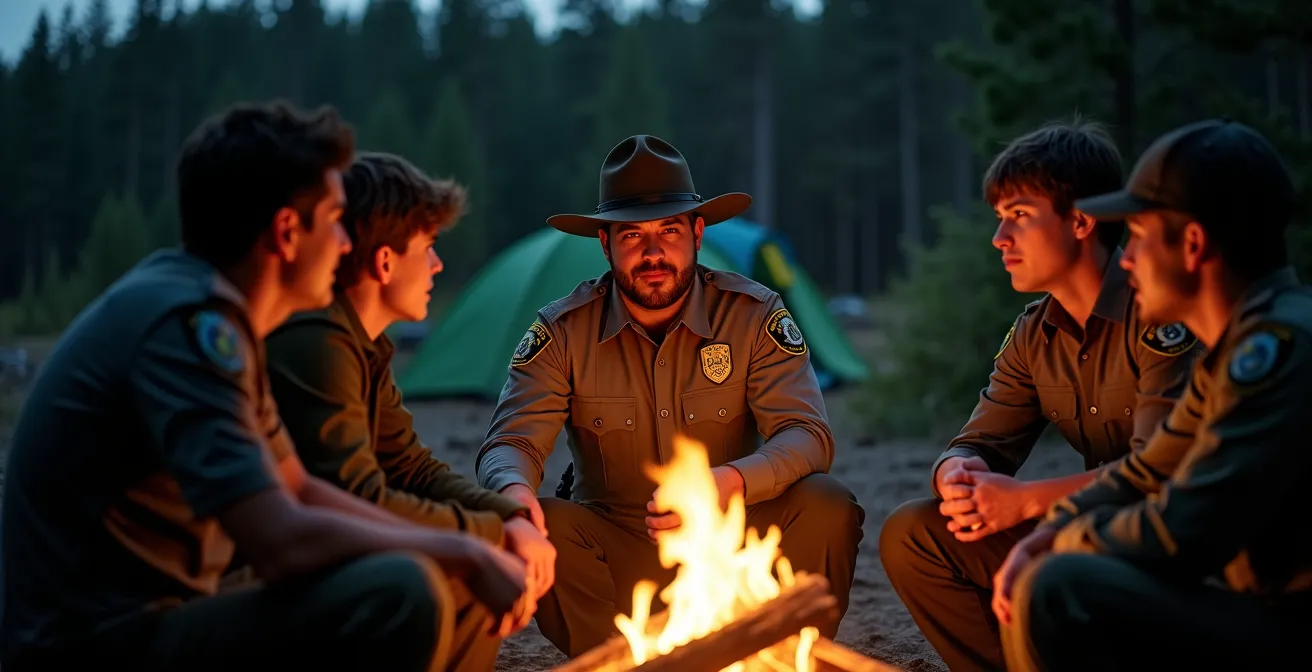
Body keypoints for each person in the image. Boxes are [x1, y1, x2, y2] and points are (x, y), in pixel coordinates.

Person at [0, 101, 529, 672]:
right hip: (88, 643)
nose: (345, 242)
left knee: (447, 578)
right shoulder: (187, 328)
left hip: (159, 615)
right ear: (285, 233)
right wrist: (461, 547)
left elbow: (298, 488)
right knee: (398, 590)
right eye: (332, 219)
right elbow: (279, 543)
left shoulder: (221, 319)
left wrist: (473, 546)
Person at [473, 134, 865, 657]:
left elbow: (807, 435)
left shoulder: (751, 316)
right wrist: (515, 495)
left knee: (827, 504)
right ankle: (620, 667)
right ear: (605, 244)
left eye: (670, 231)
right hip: (618, 554)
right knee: (543, 521)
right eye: (632, 234)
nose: (653, 252)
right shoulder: (563, 331)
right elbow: (511, 442)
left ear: (698, 234)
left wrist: (729, 483)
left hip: (735, 542)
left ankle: (777, 659)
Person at [878, 118, 1202, 672]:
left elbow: (1163, 475)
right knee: (915, 532)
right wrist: (958, 474)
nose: (1000, 239)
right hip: (1090, 528)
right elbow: (980, 440)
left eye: (1020, 217)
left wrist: (1026, 501)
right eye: (1000, 219)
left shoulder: (1160, 316)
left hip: (1169, 541)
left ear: (1080, 221)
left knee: (1053, 566)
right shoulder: (1035, 332)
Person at [993, 119, 1312, 671]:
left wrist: (1065, 541)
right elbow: (1145, 472)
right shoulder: (1237, 346)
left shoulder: (1278, 351)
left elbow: (1184, 530)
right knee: (1052, 569)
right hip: (1265, 611)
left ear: (1192, 245)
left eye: (1138, 234)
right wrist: (1051, 527)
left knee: (1061, 586)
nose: (1128, 257)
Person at [264, 151, 556, 605]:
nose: (437, 265)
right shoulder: (319, 342)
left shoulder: (365, 343)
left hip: (324, 553)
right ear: (384, 262)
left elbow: (408, 466)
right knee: (456, 579)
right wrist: (492, 533)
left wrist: (507, 511)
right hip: (264, 570)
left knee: (477, 575)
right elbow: (362, 495)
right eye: (428, 246)